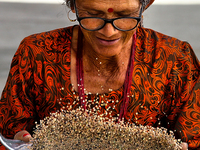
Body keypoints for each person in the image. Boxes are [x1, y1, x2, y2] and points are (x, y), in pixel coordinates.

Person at [0, 0, 199, 149]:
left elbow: (193, 138)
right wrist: (15, 143)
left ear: (144, 6)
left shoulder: (175, 60)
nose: (109, 31)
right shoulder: (37, 55)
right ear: (73, 6)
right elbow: (8, 134)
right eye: (93, 14)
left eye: (125, 15)